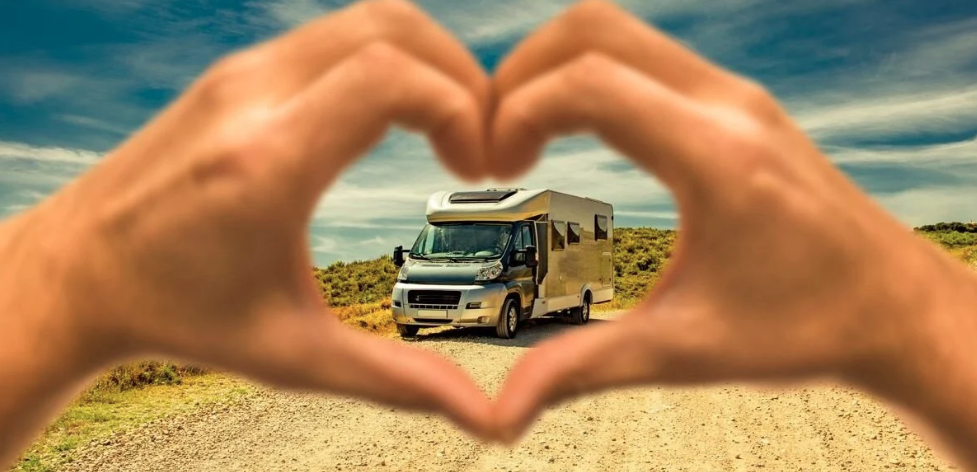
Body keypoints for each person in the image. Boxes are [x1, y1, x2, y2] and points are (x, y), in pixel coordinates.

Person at [1, 0, 975, 469]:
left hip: (552, 294)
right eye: (421, 264)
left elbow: (510, 262)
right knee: (439, 291)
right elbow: (429, 269)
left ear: (515, 268)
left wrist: (42, 292)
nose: (434, 275)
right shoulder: (437, 255)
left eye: (480, 266)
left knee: (513, 299)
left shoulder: (524, 260)